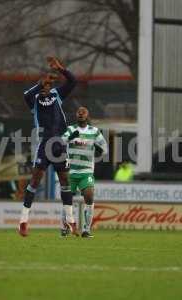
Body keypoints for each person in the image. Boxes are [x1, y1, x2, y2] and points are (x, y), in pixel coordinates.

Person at [19, 56, 77, 237]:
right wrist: (39, 84)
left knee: (65, 182)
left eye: (49, 84)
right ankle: (23, 221)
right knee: (35, 181)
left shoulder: (57, 95)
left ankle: (71, 221)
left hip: (59, 144)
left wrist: (60, 69)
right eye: (45, 84)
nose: (47, 87)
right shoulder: (34, 99)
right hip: (44, 144)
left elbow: (74, 81)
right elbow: (25, 95)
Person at [61, 107, 108, 238]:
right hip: (71, 170)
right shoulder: (71, 129)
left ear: (87, 115)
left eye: (84, 112)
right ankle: (65, 227)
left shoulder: (95, 131)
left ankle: (86, 230)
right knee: (67, 199)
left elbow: (105, 149)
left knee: (89, 196)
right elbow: (60, 142)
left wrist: (100, 149)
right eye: (78, 112)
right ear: (76, 115)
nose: (81, 113)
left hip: (86, 171)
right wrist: (70, 137)